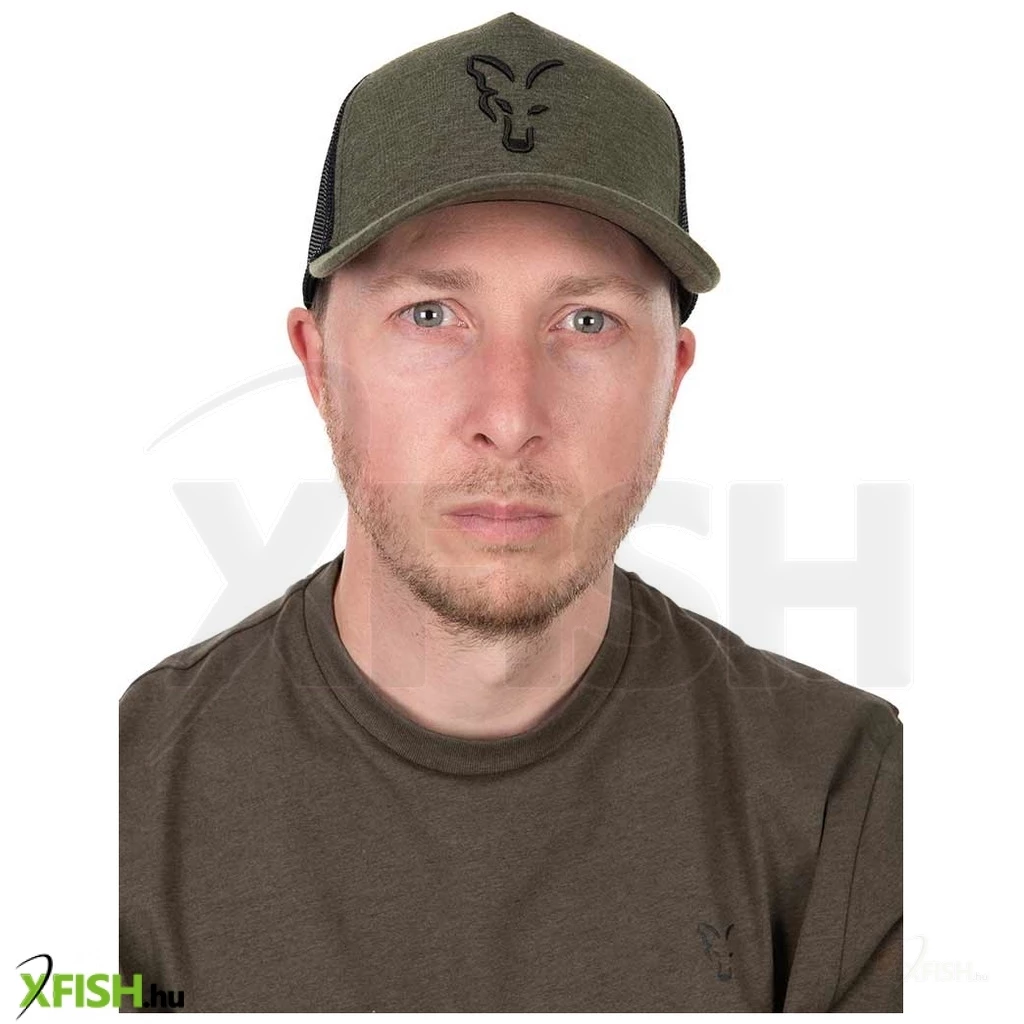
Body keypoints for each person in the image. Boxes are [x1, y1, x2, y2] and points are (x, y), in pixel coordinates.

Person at [119, 11, 902, 1012]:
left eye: (586, 320)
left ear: (671, 374)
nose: (509, 416)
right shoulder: (111, 800)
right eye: (430, 315)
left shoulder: (847, 798)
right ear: (318, 366)